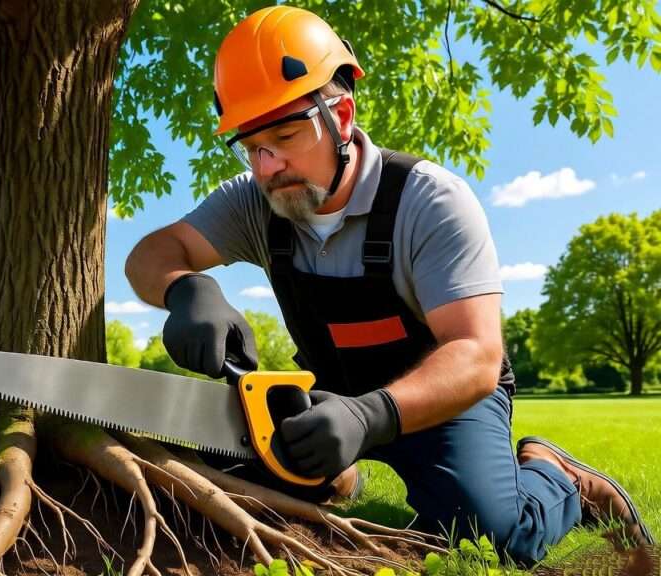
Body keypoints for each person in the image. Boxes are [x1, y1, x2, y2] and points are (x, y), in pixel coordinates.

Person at [124, 5, 653, 564]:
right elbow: (151, 254)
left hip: (445, 399)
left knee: (488, 535)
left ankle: (555, 477)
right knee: (231, 473)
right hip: (329, 390)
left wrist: (370, 416)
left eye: (285, 134)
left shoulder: (430, 200)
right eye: (252, 145)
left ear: (342, 116)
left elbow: (476, 354)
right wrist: (186, 289)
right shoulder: (255, 201)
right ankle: (337, 473)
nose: (268, 165)